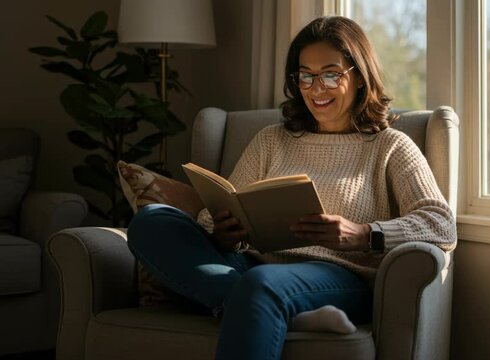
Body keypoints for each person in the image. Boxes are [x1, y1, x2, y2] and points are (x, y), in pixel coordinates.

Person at [127, 15, 456, 360]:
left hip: (338, 277)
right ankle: (290, 314)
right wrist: (223, 231)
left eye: (331, 74)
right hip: (251, 265)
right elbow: (221, 210)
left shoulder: (390, 146)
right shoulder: (272, 139)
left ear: (358, 76)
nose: (317, 88)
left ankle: (263, 303)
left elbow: (441, 223)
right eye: (306, 76)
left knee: (261, 285)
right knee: (152, 221)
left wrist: (364, 233)